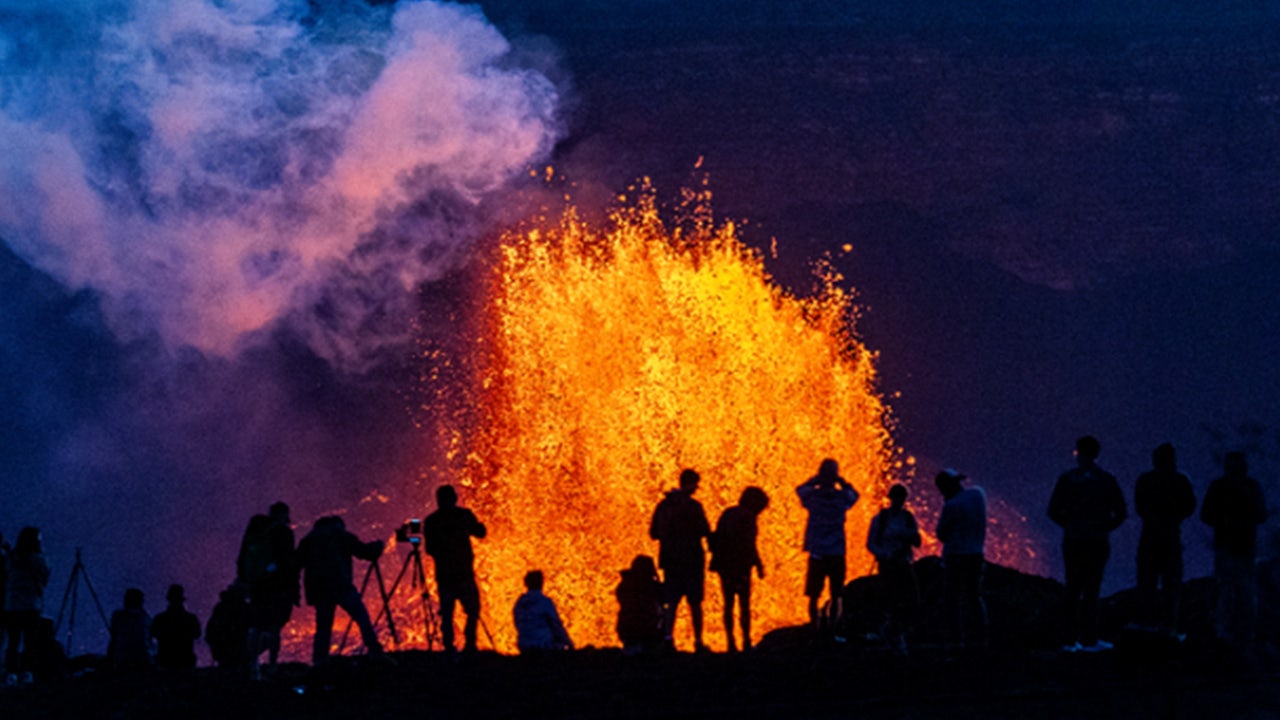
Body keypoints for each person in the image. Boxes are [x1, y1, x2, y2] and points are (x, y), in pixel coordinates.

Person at [1048, 435, 1127, 652]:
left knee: (1073, 588)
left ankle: (1069, 639)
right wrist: (1103, 527)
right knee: (1092, 589)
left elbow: (1053, 510)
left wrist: (1070, 525)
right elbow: (1121, 512)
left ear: (1079, 453)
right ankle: (1089, 639)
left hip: (1074, 540)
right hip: (1097, 541)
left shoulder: (1067, 479)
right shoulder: (1106, 480)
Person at [295, 515, 386, 665]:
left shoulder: (308, 540)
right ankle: (375, 651)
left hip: (320, 590)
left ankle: (319, 661)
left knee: (323, 627)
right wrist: (378, 546)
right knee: (361, 617)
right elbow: (364, 552)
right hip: (341, 586)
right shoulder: (341, 536)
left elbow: (296, 564)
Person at [1200, 451, 1268, 648]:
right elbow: (1261, 514)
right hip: (1243, 545)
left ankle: (1226, 631)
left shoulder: (1219, 486)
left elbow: (1206, 514)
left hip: (1228, 545)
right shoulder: (1250, 486)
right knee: (1243, 590)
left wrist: (1224, 523)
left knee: (1228, 589)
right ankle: (1244, 632)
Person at [1133, 443, 1196, 635]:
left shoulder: (1146, 480)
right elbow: (1189, 506)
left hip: (1150, 536)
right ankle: (1169, 625)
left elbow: (1139, 506)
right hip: (1170, 537)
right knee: (1171, 584)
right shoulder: (1180, 480)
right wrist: (1174, 516)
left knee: (1147, 583)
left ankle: (1147, 623)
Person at [649, 468, 712, 652]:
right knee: (695, 602)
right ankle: (698, 641)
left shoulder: (663, 506)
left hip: (670, 560)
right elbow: (705, 531)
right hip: (692, 559)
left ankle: (668, 638)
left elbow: (653, 533)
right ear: (691, 484)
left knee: (671, 601)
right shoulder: (693, 507)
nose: (696, 489)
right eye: (695, 485)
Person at [422, 484, 487, 653]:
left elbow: (429, 549)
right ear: (454, 498)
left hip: (444, 576)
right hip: (464, 573)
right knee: (473, 609)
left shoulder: (431, 521)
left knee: (447, 613)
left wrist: (444, 553)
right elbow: (480, 533)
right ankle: (470, 643)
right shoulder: (463, 516)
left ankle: (449, 646)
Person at [796, 459, 859, 631]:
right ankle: (833, 627)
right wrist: (842, 482)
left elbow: (800, 490)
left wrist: (815, 480)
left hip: (817, 553)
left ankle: (815, 627)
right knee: (837, 593)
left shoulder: (813, 499)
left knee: (814, 595)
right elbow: (854, 495)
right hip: (837, 552)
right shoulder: (841, 499)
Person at [709, 486, 769, 652]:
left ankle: (730, 642)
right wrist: (758, 565)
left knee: (728, 604)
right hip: (741, 565)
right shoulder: (748, 518)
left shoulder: (728, 513)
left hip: (724, 565)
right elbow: (750, 543)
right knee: (744, 604)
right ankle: (747, 641)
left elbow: (716, 537)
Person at [936, 469, 988, 651]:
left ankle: (955, 640)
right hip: (977, 554)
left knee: (952, 598)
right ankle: (979, 639)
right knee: (974, 596)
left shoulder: (952, 505)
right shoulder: (978, 494)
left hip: (956, 555)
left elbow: (941, 533)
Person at [866, 483, 922, 655]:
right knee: (889, 600)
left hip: (903, 563)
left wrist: (907, 536)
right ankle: (889, 632)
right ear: (891, 498)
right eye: (896, 497)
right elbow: (870, 543)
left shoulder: (907, 518)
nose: (899, 501)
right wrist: (884, 554)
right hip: (888, 564)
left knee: (912, 599)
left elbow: (917, 541)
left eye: (901, 498)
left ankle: (899, 631)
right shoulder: (881, 519)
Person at [4, 526, 49, 678]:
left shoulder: (11, 558)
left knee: (13, 642)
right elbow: (45, 576)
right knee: (30, 642)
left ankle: (11, 673)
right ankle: (27, 672)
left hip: (13, 605)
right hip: (31, 604)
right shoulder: (39, 560)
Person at [512, 570, 572, 655]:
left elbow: (517, 624)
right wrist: (569, 643)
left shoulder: (519, 604)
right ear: (541, 583)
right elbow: (556, 626)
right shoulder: (544, 602)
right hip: (543, 645)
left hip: (525, 645)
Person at [615, 555, 664, 655]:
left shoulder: (624, 585)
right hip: (647, 630)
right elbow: (664, 598)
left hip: (626, 630)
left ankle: (632, 647)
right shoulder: (652, 587)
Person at [150, 584, 201, 671]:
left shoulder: (160, 618)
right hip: (185, 660)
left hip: (165, 660)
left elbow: (154, 634)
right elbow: (197, 634)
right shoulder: (190, 618)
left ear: (169, 599)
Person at [205, 583, 251, 670]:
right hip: (235, 648)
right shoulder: (244, 608)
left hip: (224, 648)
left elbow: (210, 630)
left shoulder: (221, 607)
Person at [107, 588, 153, 672]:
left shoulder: (117, 616)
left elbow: (113, 640)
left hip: (123, 662)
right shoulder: (145, 618)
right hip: (142, 661)